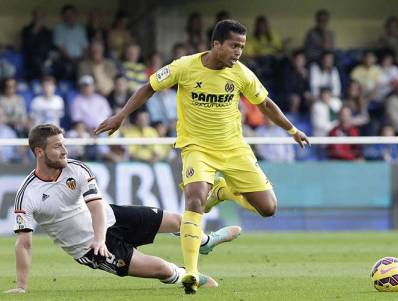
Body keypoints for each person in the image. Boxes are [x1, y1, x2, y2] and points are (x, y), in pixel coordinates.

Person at [95, 19, 309, 294]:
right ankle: (191, 273)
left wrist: (292, 130)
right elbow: (149, 86)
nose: (238, 52)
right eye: (233, 45)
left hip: (234, 149)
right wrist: (121, 116)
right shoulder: (184, 67)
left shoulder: (241, 74)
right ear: (216, 44)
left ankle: (222, 192)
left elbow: (264, 103)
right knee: (194, 199)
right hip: (197, 148)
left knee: (268, 208)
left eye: (241, 47)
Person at [5, 124, 241, 294]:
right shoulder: (28, 195)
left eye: (64, 144)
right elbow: (24, 244)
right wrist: (21, 286)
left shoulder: (76, 169)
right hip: (89, 249)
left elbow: (96, 207)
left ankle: (205, 241)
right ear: (39, 152)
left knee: (179, 221)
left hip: (111, 218)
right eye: (57, 147)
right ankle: (187, 276)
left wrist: (100, 237)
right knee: (161, 268)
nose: (65, 151)